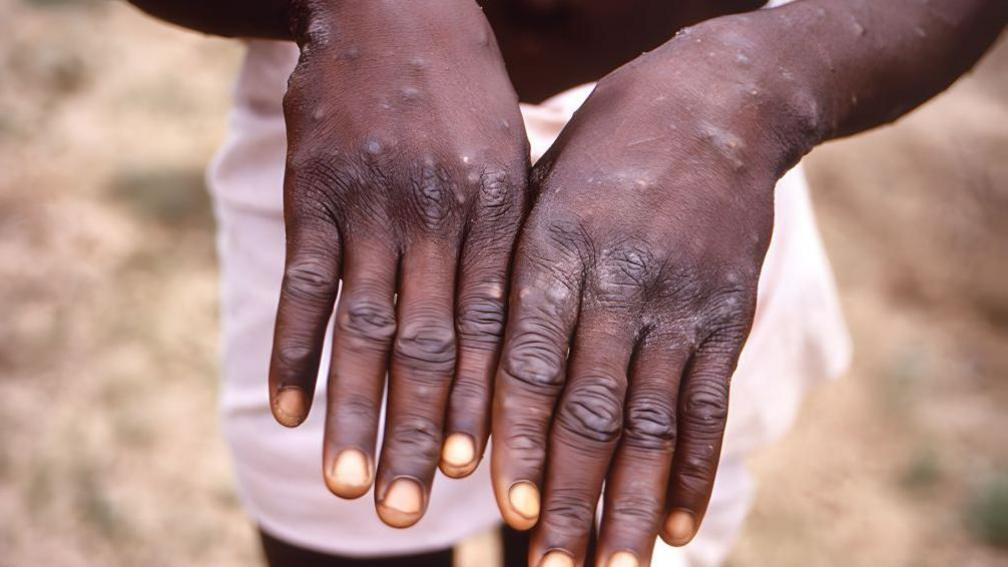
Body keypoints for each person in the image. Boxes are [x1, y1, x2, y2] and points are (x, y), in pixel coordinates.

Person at [126, 0, 1006, 565]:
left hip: (689, 181)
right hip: (373, 141)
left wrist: (762, 87)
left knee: (602, 528)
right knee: (340, 519)